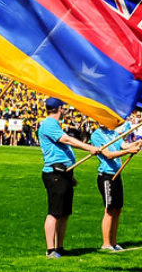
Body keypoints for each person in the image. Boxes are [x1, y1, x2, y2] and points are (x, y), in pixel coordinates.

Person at [39, 98, 98, 258]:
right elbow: (66, 140)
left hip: (64, 173)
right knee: (54, 212)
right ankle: (50, 249)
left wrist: (70, 177)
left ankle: (59, 247)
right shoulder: (49, 124)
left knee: (64, 212)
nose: (65, 110)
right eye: (63, 108)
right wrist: (89, 147)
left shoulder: (54, 124)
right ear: (59, 108)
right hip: (55, 173)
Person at [90, 124, 142, 251]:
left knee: (117, 209)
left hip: (117, 174)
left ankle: (113, 242)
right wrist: (128, 151)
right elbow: (108, 154)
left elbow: (124, 145)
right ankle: (106, 244)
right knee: (109, 209)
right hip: (107, 176)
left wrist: (136, 143)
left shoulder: (112, 133)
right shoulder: (96, 135)